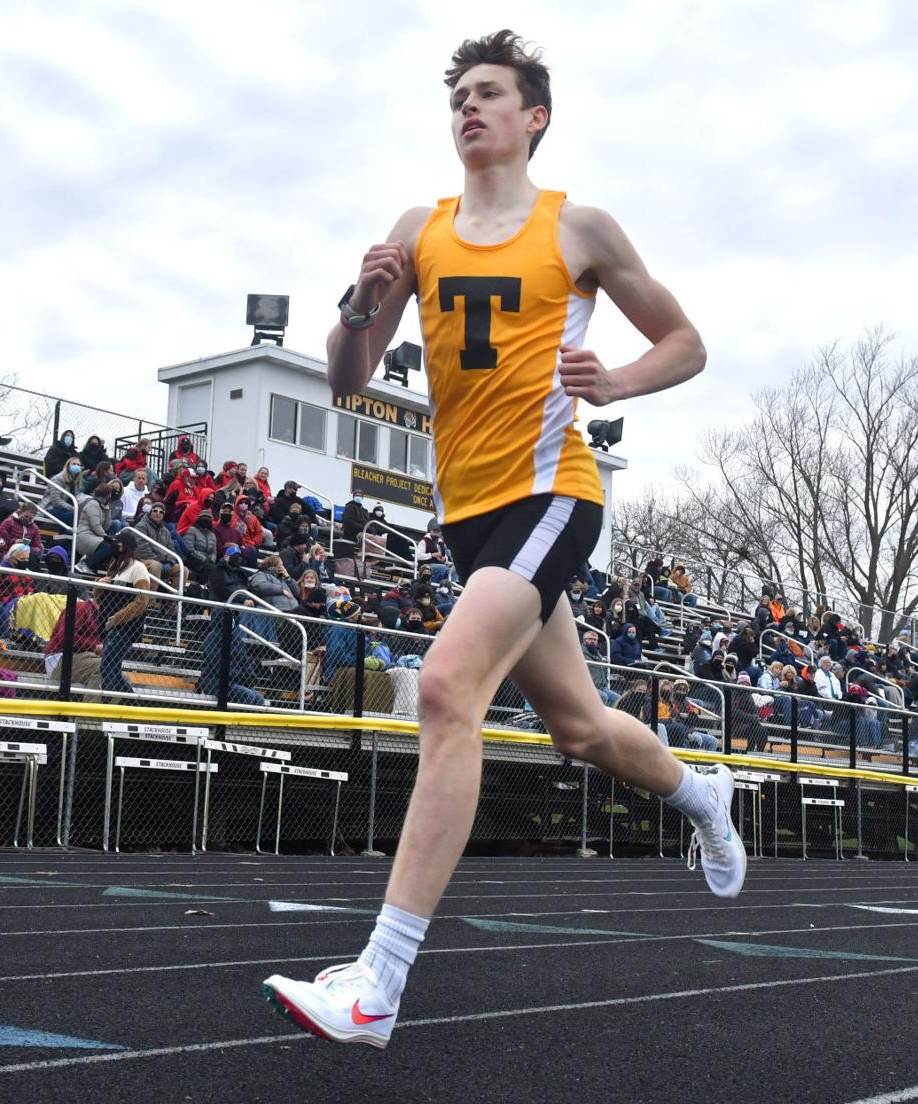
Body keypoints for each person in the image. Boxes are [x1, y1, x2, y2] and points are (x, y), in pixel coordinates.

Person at [262, 30, 738, 1047]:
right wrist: (355, 301)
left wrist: (617, 382)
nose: (468, 109)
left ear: (536, 117)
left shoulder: (580, 230)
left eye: (490, 94)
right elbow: (349, 375)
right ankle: (704, 793)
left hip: (554, 496)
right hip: (469, 517)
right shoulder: (417, 230)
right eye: (458, 98)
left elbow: (687, 343)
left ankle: (379, 983)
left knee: (444, 689)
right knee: (579, 728)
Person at [97, 530, 150, 694]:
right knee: (111, 667)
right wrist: (99, 584)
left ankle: (111, 705)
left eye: (119, 544)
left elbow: (142, 600)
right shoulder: (114, 566)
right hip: (109, 626)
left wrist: (119, 617)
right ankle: (129, 702)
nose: (116, 547)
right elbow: (100, 599)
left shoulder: (138, 567)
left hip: (126, 628)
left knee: (107, 666)